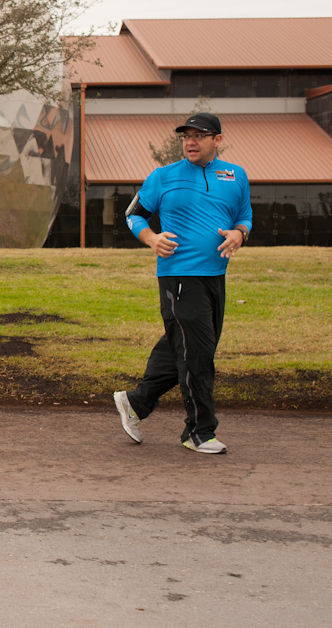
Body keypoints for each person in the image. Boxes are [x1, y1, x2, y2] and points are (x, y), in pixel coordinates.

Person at [112, 112, 252, 454]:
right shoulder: (163, 176)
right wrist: (150, 238)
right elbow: (132, 215)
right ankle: (199, 431)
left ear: (217, 140)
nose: (190, 141)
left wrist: (239, 233)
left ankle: (135, 401)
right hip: (178, 277)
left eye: (199, 135)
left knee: (188, 348)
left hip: (215, 278)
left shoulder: (236, 176)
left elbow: (244, 216)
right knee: (198, 354)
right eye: (186, 136)